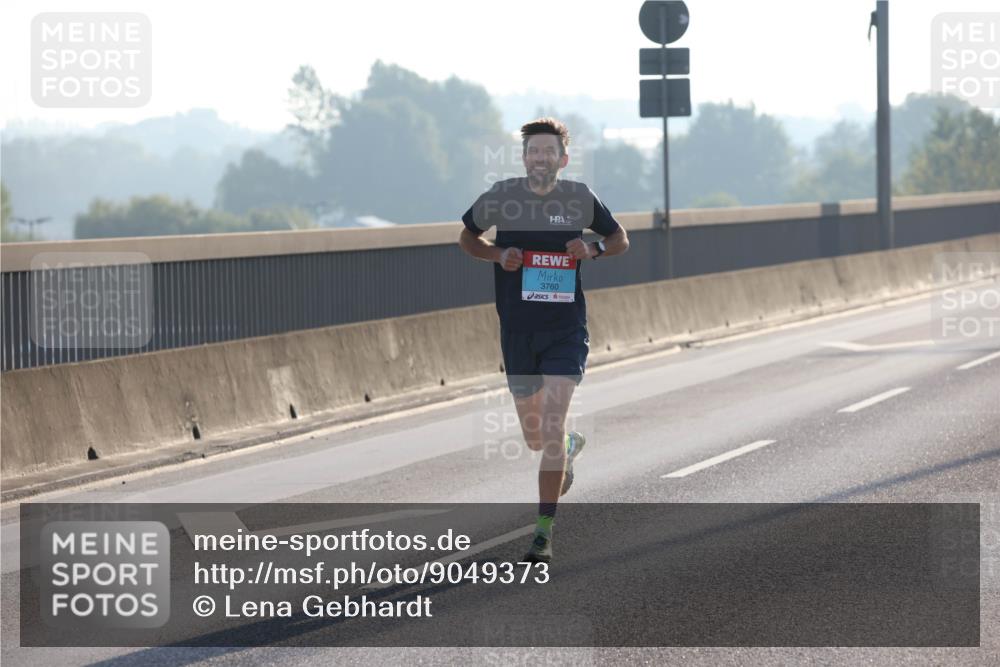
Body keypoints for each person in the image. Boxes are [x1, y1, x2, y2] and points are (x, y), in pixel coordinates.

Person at [459, 117, 629, 563]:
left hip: (565, 330)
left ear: (563, 159)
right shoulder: (503, 196)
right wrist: (498, 254)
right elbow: (466, 238)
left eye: (548, 151)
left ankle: (543, 532)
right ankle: (569, 446)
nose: (540, 157)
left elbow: (619, 238)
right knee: (537, 438)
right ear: (524, 157)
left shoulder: (578, 198)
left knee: (550, 427)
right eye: (533, 150)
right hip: (517, 328)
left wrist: (593, 250)